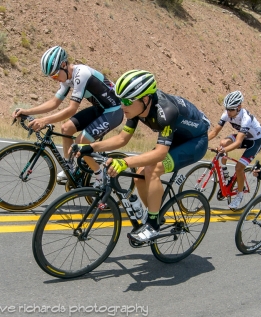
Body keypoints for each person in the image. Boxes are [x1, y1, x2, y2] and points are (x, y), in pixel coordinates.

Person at [75, 70, 210, 242]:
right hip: (175, 137)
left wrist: (124, 162)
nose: (122, 106)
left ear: (145, 99)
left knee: (152, 169)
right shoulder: (137, 108)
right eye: (120, 100)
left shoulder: (166, 111)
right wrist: (89, 147)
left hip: (195, 142)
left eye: (126, 101)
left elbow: (160, 153)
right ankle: (154, 214)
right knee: (139, 176)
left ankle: (153, 226)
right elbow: (122, 139)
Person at [12, 46, 124, 185]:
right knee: (66, 128)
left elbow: (72, 109)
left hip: (113, 111)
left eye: (54, 75)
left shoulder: (81, 74)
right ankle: (69, 167)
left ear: (64, 65)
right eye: (51, 77)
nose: (54, 79)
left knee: (81, 143)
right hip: (99, 108)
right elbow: (54, 102)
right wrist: (26, 111)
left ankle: (101, 177)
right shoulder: (66, 78)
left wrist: (44, 120)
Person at [207, 91, 261, 209]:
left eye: (231, 110)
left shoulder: (246, 118)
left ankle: (239, 194)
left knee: (239, 167)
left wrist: (223, 150)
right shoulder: (227, 114)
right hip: (244, 137)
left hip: (255, 141)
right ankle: (224, 171)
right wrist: (201, 141)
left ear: (239, 107)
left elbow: (238, 142)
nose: (228, 112)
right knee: (223, 143)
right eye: (227, 109)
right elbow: (214, 132)